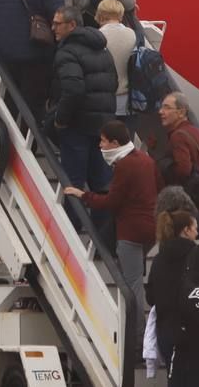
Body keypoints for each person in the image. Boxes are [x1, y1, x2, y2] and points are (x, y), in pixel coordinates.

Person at [64, 120, 162, 359]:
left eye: (103, 141)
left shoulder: (125, 166)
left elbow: (110, 203)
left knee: (132, 290)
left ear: (115, 143)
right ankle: (141, 339)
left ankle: (138, 344)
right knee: (135, 281)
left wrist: (82, 195)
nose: (99, 145)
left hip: (130, 232)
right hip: (150, 229)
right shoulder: (145, 160)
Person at [146, 209, 199, 387]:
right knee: (197, 378)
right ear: (186, 230)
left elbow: (151, 297)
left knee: (176, 379)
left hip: (170, 329)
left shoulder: (159, 259)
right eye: (195, 228)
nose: (197, 232)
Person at [49, 6, 117, 194]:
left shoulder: (67, 52)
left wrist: (60, 119)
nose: (53, 28)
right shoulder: (102, 49)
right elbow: (114, 81)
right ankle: (101, 223)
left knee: (73, 185)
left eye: (57, 24)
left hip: (77, 126)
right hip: (103, 124)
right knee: (102, 183)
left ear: (72, 25)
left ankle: (74, 223)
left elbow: (73, 89)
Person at [96, 0, 136, 124]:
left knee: (105, 141)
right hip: (129, 101)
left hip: (104, 101)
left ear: (100, 15)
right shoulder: (132, 34)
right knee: (125, 139)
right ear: (121, 15)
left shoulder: (97, 36)